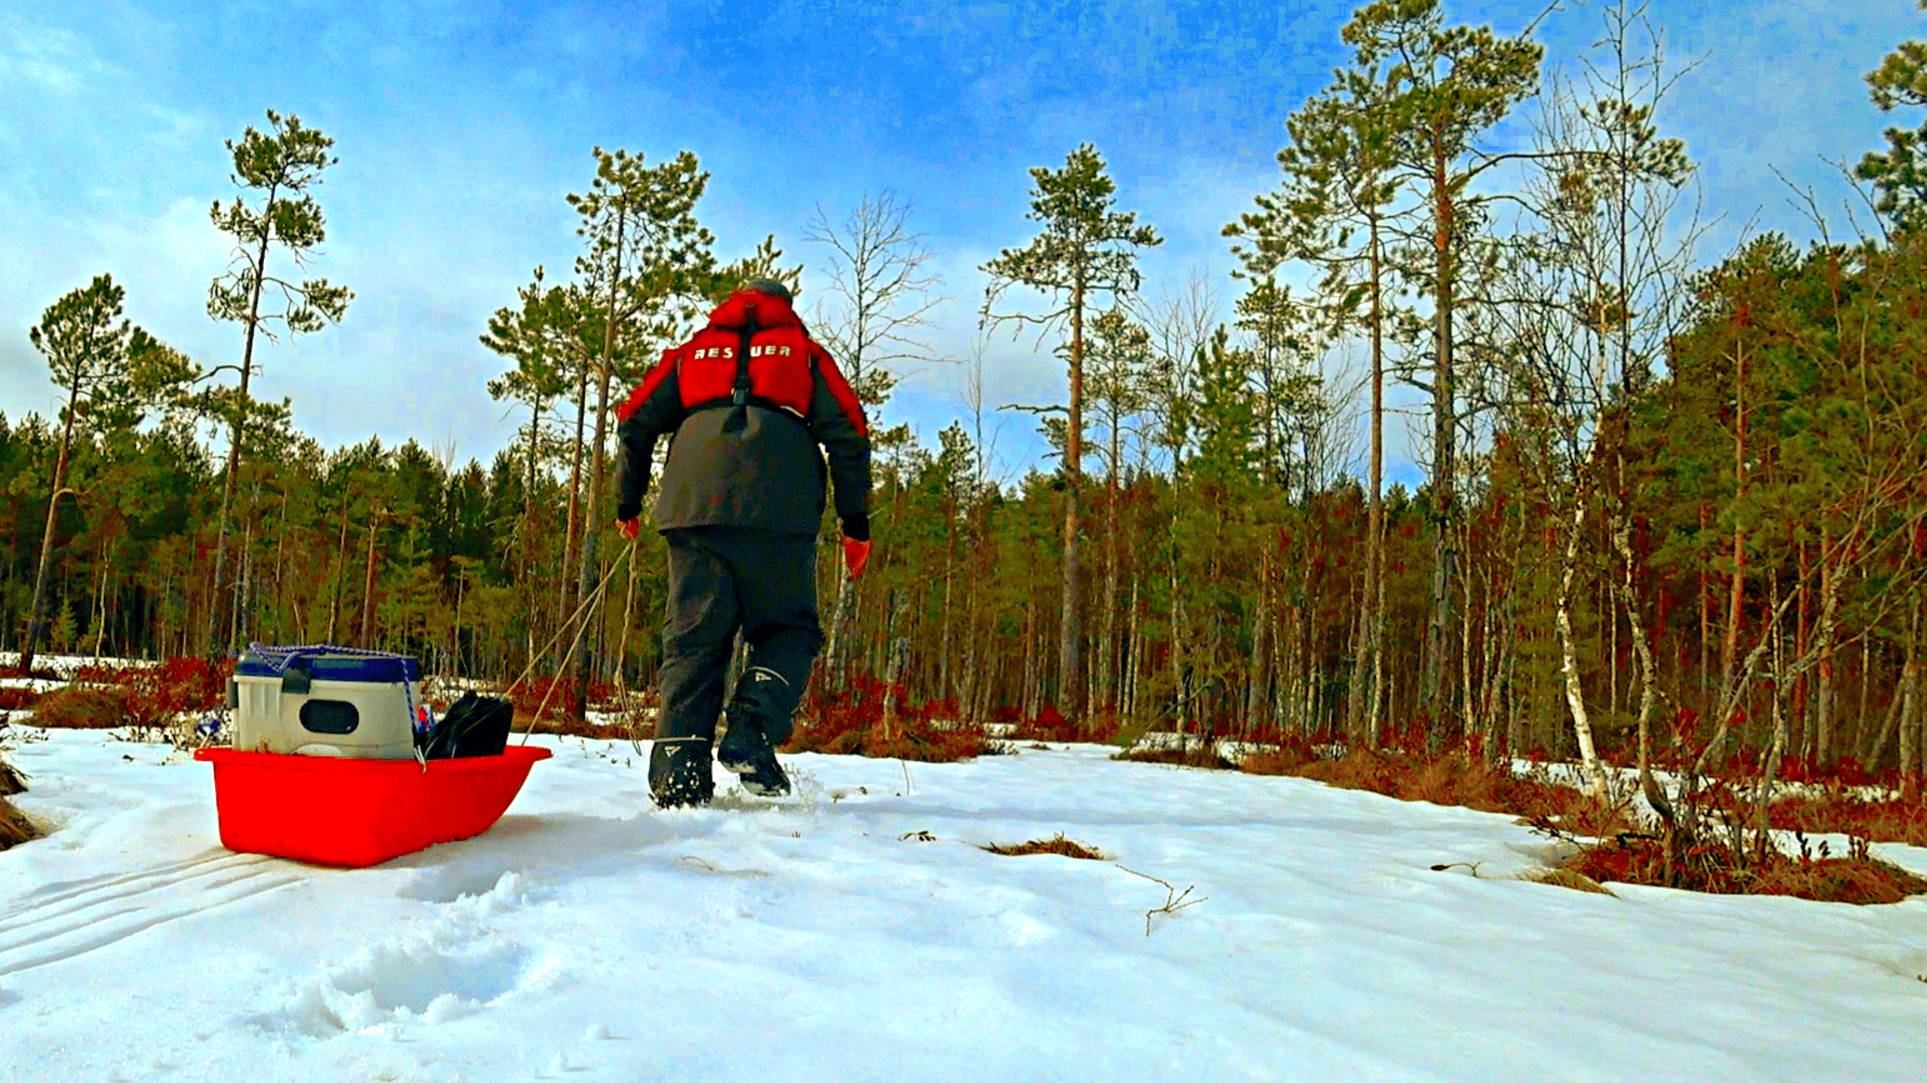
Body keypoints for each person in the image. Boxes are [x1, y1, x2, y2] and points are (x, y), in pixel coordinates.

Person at [613, 278, 872, 807]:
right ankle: (752, 729)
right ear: (785, 309)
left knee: (693, 641)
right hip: (780, 508)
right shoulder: (805, 356)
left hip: (694, 507)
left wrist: (627, 503)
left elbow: (635, 419)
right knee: (789, 630)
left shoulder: (690, 354)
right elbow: (849, 432)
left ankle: (678, 782)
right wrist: (855, 524)